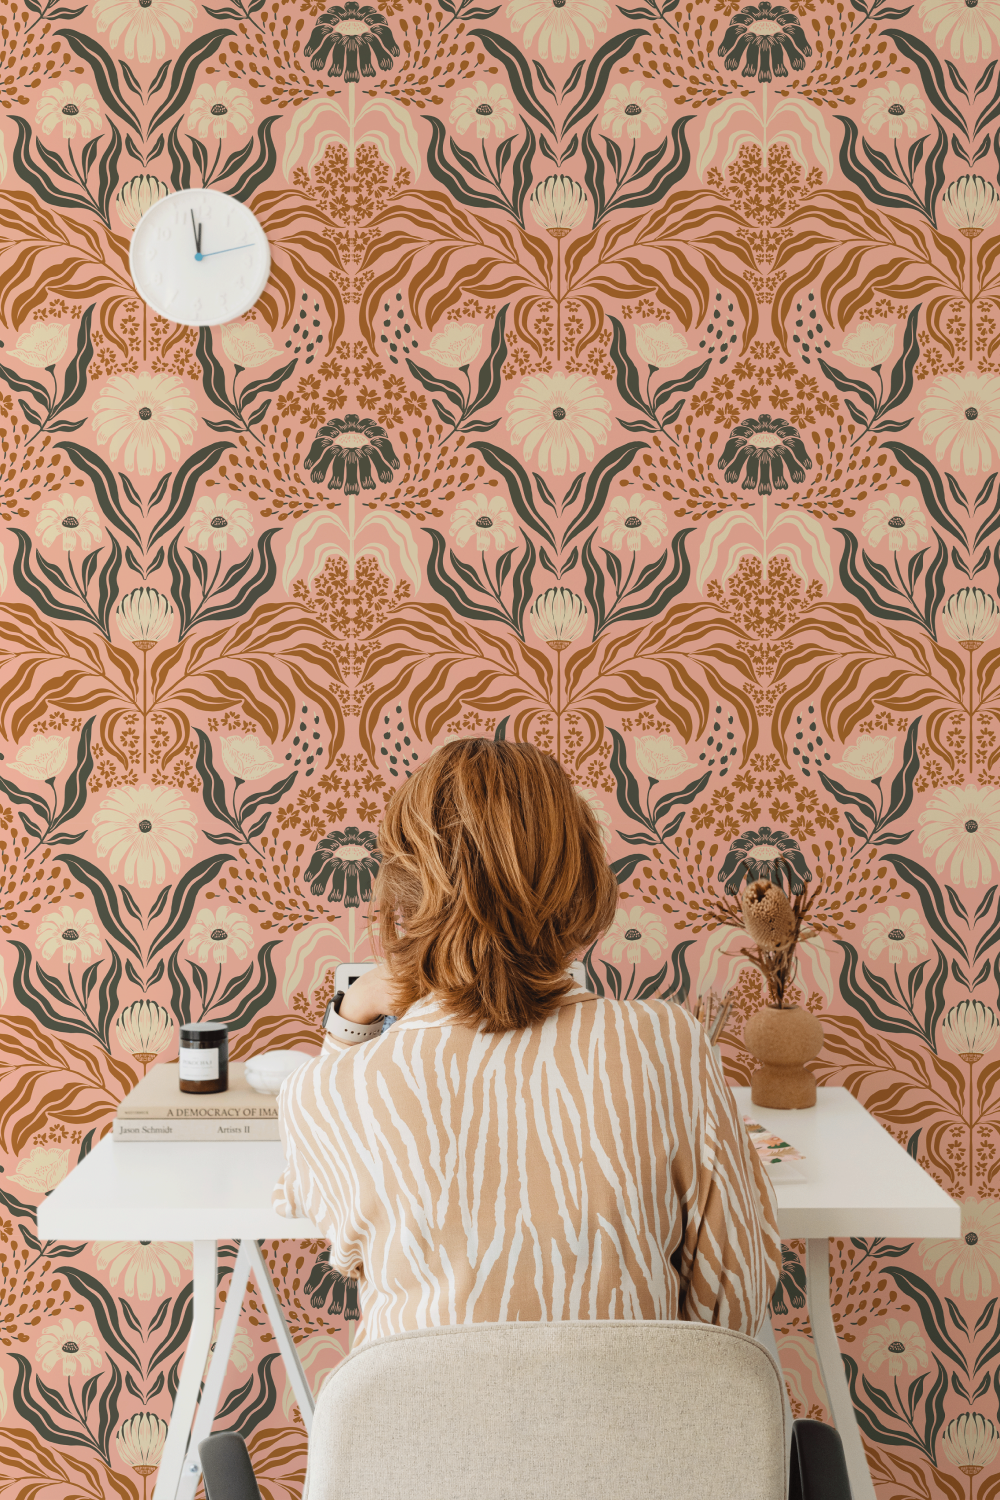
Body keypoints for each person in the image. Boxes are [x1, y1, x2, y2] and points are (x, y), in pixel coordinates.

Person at [275, 739, 781, 1344]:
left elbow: (317, 1195)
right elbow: (735, 1306)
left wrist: (351, 1019)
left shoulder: (325, 1092)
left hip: (421, 1435)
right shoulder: (666, 1043)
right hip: (638, 1431)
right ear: (583, 881)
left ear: (401, 896)